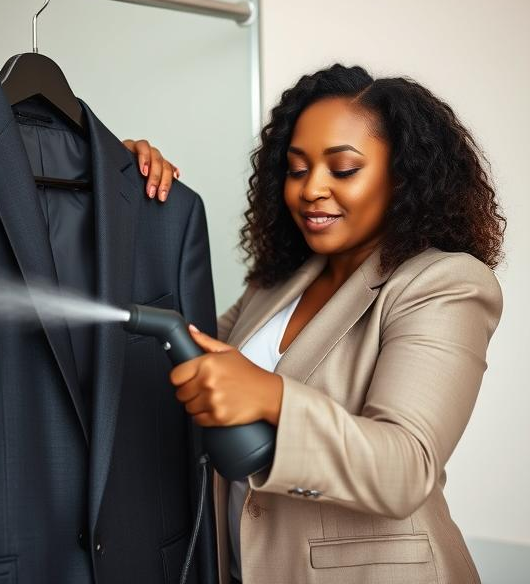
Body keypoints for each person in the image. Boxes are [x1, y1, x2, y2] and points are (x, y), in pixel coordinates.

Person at [123, 63, 505, 584]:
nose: (311, 190)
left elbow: (405, 469)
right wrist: (125, 199)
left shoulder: (444, 284)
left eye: (342, 170)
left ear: (403, 176)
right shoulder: (276, 285)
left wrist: (271, 397)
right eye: (298, 169)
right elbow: (183, 354)